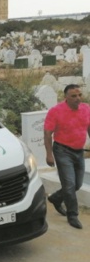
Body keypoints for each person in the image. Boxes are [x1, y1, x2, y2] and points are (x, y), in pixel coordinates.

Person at [44, 84, 90, 229]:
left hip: (79, 151)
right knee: (69, 185)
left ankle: (56, 198)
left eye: (79, 95)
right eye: (73, 96)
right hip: (62, 151)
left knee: (77, 184)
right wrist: (49, 155)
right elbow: (47, 133)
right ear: (66, 97)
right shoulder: (56, 111)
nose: (78, 99)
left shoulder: (86, 108)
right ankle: (73, 215)